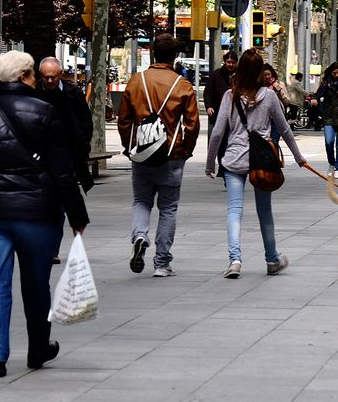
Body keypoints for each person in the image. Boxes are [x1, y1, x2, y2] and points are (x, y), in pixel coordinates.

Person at [0, 51, 89, 379]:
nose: (36, 80)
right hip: (38, 213)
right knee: (36, 283)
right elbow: (62, 170)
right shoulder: (44, 112)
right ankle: (38, 348)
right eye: (32, 74)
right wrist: (76, 214)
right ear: (23, 77)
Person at [205, 49, 307, 279]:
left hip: (233, 159)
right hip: (261, 160)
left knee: (234, 210)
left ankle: (235, 260)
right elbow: (285, 130)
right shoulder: (269, 97)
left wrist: (210, 164)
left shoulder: (229, 97)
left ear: (239, 70)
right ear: (261, 72)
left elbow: (217, 134)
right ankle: (272, 259)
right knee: (264, 210)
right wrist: (299, 157)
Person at [117, 33, 200, 278]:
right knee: (168, 207)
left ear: (153, 53)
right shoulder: (182, 85)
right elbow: (192, 124)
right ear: (175, 56)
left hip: (142, 153)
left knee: (141, 201)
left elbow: (124, 120)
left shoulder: (136, 81)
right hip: (171, 154)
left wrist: (128, 146)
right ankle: (162, 264)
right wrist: (186, 149)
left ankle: (140, 235)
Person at [37, 57, 94, 193]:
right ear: (40, 75)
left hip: (69, 158)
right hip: (41, 159)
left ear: (61, 74)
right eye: (46, 78)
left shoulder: (74, 94)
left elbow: (85, 123)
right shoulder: (33, 93)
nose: (50, 81)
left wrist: (83, 147)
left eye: (53, 77)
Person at [315, 62, 338, 178]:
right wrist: (314, 100)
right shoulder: (326, 83)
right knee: (329, 142)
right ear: (330, 72)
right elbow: (317, 95)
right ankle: (331, 163)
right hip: (329, 117)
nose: (336, 75)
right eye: (334, 73)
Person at [203, 51, 237, 135]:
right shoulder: (215, 75)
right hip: (219, 112)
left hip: (235, 114)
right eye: (228, 62)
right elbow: (208, 92)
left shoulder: (240, 75)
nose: (230, 65)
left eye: (233, 62)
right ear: (224, 62)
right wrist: (209, 106)